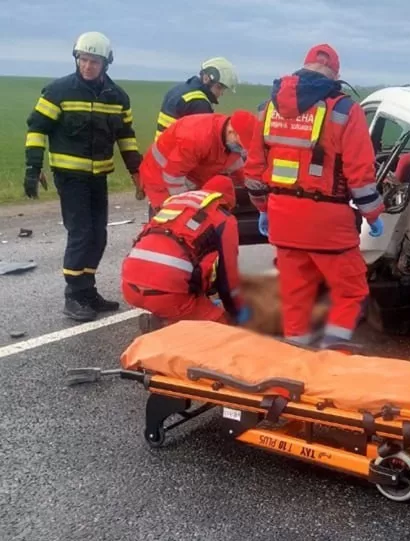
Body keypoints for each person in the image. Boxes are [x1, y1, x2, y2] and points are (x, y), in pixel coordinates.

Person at [244, 43, 385, 348]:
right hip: (327, 222)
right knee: (350, 293)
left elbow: (254, 170)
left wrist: (263, 209)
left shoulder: (269, 108)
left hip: (282, 218)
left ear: (303, 67)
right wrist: (373, 215)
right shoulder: (345, 110)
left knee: (295, 296)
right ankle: (331, 358)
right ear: (335, 73)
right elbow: (360, 174)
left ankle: (296, 363)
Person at [23, 31, 143, 322]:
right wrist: (32, 167)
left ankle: (87, 291)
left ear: (106, 64)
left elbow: (126, 138)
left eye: (94, 61)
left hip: (98, 176)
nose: (87, 66)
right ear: (76, 59)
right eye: (83, 59)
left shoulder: (117, 97)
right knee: (81, 234)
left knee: (98, 235)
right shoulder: (58, 91)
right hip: (69, 177)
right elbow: (37, 129)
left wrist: (137, 173)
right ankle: (74, 294)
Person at [121, 175, 251, 330]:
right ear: (228, 201)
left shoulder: (176, 204)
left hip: (130, 286)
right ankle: (164, 325)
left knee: (190, 277)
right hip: (168, 294)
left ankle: (164, 317)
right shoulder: (223, 218)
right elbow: (228, 277)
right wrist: (236, 311)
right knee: (223, 330)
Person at [138, 112, 246, 211]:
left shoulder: (229, 138)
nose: (240, 149)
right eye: (239, 145)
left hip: (188, 175)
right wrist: (186, 205)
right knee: (171, 218)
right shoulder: (196, 138)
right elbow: (173, 177)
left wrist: (248, 187)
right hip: (159, 175)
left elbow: (236, 165)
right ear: (231, 131)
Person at [154, 57, 237, 141]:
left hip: (161, 149)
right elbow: (204, 142)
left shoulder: (178, 89)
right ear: (206, 79)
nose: (221, 93)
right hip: (174, 152)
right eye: (219, 87)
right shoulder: (199, 103)